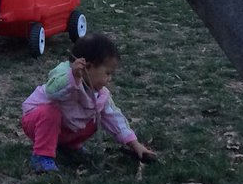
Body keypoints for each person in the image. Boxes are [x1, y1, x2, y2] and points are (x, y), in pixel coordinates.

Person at [21, 32, 156, 173]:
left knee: (97, 118)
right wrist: (72, 78)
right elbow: (52, 91)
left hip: (65, 127)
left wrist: (134, 144)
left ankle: (70, 145)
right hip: (36, 122)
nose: (109, 79)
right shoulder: (63, 73)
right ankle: (42, 156)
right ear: (88, 67)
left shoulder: (100, 94)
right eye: (108, 73)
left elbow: (114, 118)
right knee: (50, 113)